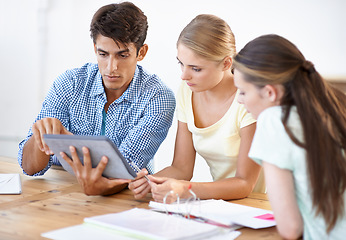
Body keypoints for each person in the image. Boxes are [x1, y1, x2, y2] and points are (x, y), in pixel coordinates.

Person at [18, 2, 176, 196]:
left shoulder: (158, 98)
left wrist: (70, 142)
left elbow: (125, 170)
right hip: (62, 192)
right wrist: (39, 138)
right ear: (95, 49)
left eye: (122, 55)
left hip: (124, 197)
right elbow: (30, 168)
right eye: (103, 54)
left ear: (141, 53)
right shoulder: (70, 83)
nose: (111, 67)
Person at [129, 14, 265, 202]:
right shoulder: (187, 91)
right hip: (226, 205)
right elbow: (181, 168)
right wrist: (151, 181)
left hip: (263, 205)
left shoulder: (248, 101)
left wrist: (186, 189)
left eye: (196, 68)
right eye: (181, 64)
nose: (184, 76)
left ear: (226, 63)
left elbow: (244, 184)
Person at [232, 34, 346, 239]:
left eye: (242, 92)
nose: (239, 100)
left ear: (270, 93)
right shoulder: (335, 105)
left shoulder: (275, 120)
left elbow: (290, 228)